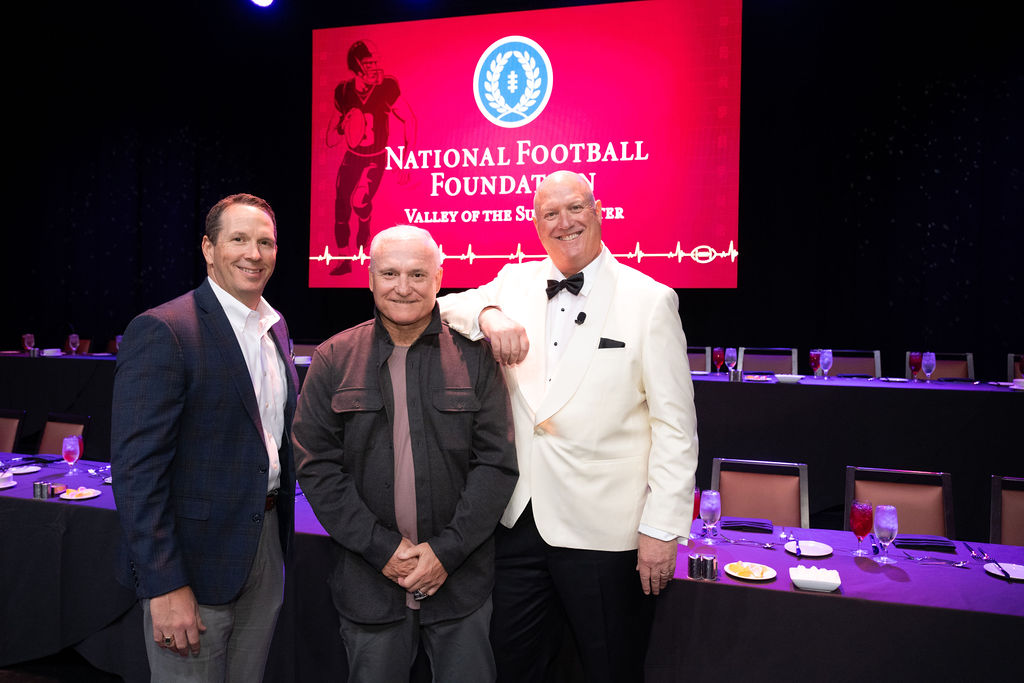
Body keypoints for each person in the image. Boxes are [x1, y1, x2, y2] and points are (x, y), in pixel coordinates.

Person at [438, 170, 699, 682]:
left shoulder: (650, 300)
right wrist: (489, 314)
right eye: (550, 214)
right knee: (511, 666)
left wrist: (662, 529)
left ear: (598, 211)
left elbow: (675, 427)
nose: (564, 223)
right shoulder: (514, 282)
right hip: (520, 522)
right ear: (536, 225)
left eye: (575, 208)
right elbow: (447, 306)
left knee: (609, 668)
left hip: (606, 530)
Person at [292, 225, 517, 681]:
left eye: (417, 274)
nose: (403, 287)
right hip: (368, 582)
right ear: (370, 278)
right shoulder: (334, 358)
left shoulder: (476, 357)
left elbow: (496, 464)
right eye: (390, 273)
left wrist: (446, 553)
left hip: (460, 584)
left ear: (439, 278)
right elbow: (316, 467)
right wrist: (382, 549)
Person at [111, 193, 299, 681]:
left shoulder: (276, 329)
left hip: (265, 545)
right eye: (238, 239)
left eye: (265, 243)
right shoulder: (164, 330)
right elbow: (136, 473)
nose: (253, 254)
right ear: (208, 249)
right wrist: (164, 584)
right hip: (191, 564)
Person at [327, 39, 417, 275]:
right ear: (356, 66)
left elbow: (409, 119)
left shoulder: (386, 88)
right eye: (369, 63)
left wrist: (406, 160)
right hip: (352, 156)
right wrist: (342, 125)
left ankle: (364, 226)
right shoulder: (344, 91)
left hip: (375, 157)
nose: (375, 68)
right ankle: (343, 259)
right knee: (341, 205)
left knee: (359, 201)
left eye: (376, 62)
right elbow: (330, 139)